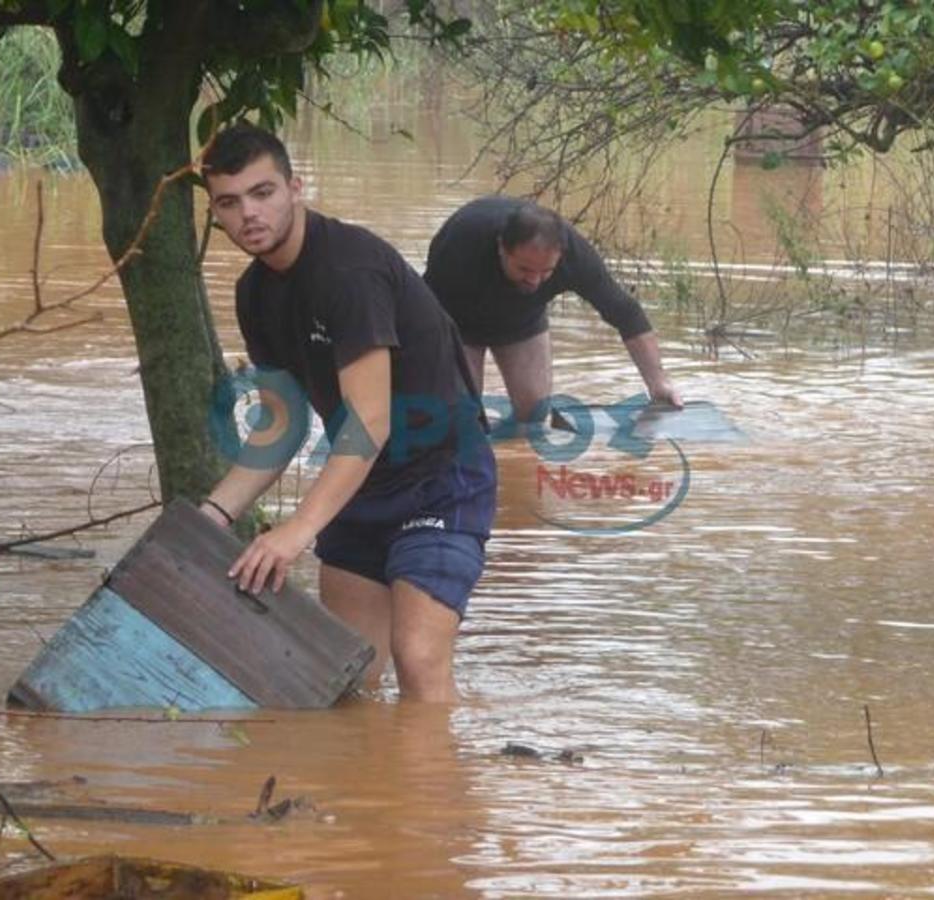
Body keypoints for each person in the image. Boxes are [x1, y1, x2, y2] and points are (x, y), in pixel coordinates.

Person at [197, 124, 495, 703]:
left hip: (441, 478)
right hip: (361, 488)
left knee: (418, 657)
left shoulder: (348, 273)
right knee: (348, 680)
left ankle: (433, 793)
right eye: (229, 203)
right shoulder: (253, 293)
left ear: (295, 187)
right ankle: (364, 791)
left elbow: (370, 421)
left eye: (263, 193)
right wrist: (214, 514)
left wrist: (297, 531)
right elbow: (280, 427)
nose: (248, 215)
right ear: (215, 213)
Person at [423, 196, 682, 422]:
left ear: (560, 255)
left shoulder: (576, 258)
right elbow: (424, 313)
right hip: (457, 319)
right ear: (502, 247)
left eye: (546, 271)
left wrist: (658, 383)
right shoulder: (461, 244)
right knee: (462, 414)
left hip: (521, 319)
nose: (534, 280)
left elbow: (626, 313)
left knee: (534, 413)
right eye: (524, 269)